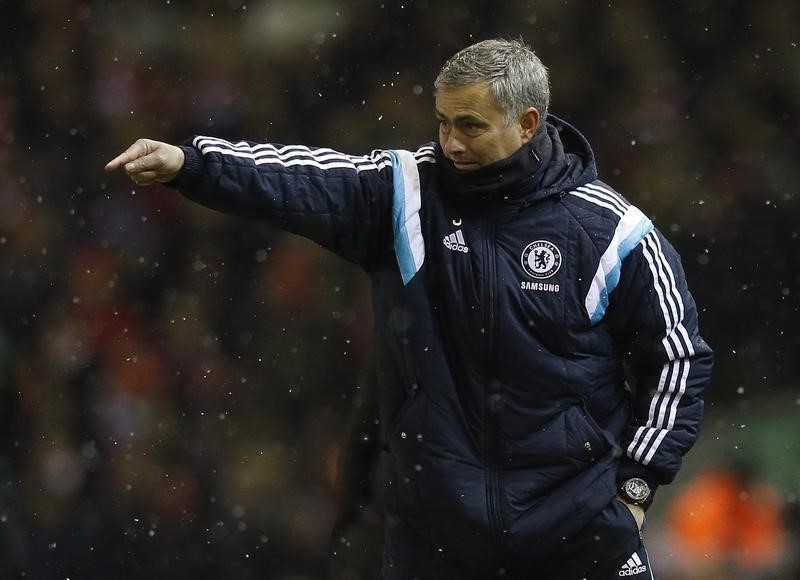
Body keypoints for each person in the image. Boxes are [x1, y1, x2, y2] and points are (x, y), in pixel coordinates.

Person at [106, 38, 713, 580]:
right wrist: (194, 164)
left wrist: (636, 482)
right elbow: (304, 179)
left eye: (470, 126)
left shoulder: (611, 230)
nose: (450, 143)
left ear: (528, 123)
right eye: (443, 123)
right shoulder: (405, 193)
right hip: (440, 544)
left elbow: (679, 359)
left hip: (579, 536)